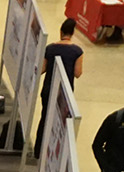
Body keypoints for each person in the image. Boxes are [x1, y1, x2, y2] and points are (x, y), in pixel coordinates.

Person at [36, 20, 84, 154]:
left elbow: (42, 69)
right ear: (73, 33)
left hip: (48, 88)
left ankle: (38, 149)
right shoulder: (77, 51)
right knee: (60, 122)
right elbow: (77, 73)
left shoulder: (50, 48)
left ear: (61, 32)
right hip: (64, 92)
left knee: (45, 117)